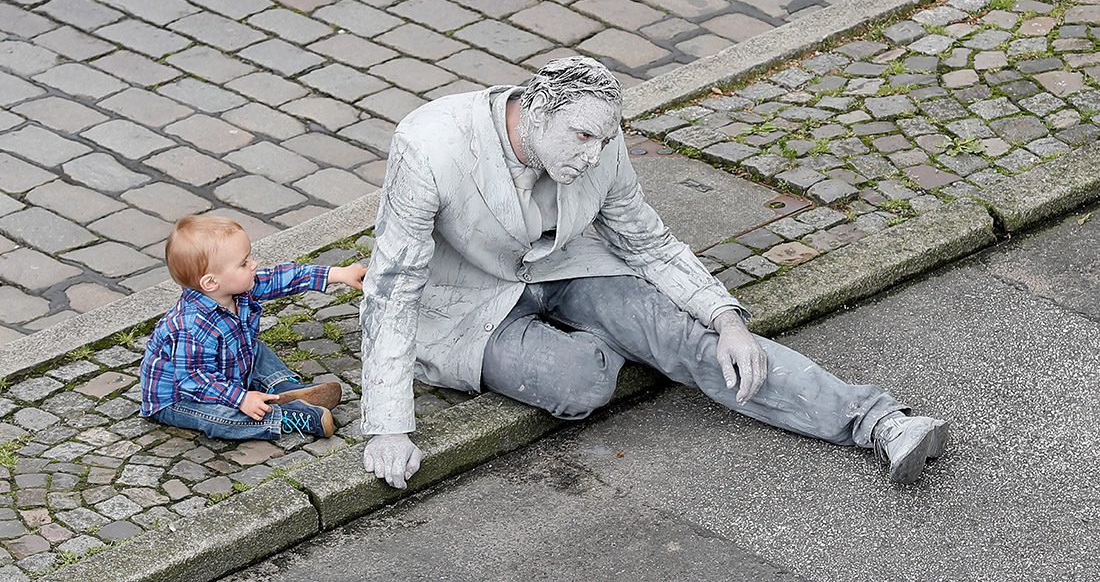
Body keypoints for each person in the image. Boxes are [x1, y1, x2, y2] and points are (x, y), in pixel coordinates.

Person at [359, 56, 948, 489]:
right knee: (580, 382)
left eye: (604, 139)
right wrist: (388, 425)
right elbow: (392, 285)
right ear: (537, 109)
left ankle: (880, 422)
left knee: (692, 339)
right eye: (583, 137)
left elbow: (646, 239)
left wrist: (727, 317)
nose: (593, 155)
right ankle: (614, 343)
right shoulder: (430, 144)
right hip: (464, 305)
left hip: (565, 267)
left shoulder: (599, 142)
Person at [140, 215, 366, 440]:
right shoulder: (190, 326)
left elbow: (283, 278)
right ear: (211, 282)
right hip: (181, 398)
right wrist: (240, 399)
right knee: (219, 418)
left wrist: (337, 274)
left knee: (254, 348)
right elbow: (192, 380)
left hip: (224, 373)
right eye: (243, 263)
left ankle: (281, 387)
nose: (253, 264)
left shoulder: (238, 289)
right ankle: (283, 417)